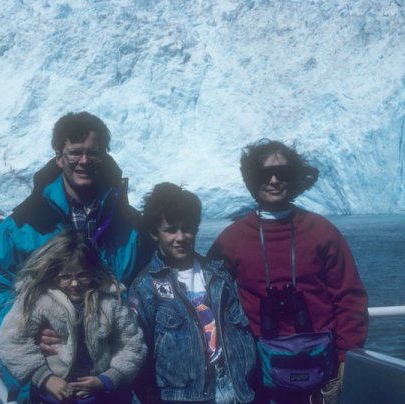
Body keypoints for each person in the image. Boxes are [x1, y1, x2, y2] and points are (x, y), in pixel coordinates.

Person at [0, 111, 152, 400]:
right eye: (74, 152)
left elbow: (146, 287)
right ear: (59, 157)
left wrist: (124, 327)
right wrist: (26, 328)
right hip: (44, 382)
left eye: (92, 153)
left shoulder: (131, 225)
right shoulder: (22, 225)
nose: (84, 161)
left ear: (104, 156)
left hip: (109, 383)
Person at [207, 139, 368, 404]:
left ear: (292, 179)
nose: (273, 180)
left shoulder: (322, 232)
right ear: (250, 180)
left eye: (282, 173)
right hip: (257, 371)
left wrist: (346, 357)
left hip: (320, 370)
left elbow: (350, 298)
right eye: (263, 174)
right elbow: (207, 297)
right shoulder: (232, 239)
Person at [129, 183, 256, 403]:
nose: (181, 237)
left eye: (187, 228)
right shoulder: (145, 287)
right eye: (170, 230)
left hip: (236, 390)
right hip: (182, 397)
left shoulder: (219, 276)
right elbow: (138, 353)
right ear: (154, 233)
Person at [0, 230, 147, 404]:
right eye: (65, 277)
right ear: (52, 274)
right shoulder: (37, 301)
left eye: (82, 275)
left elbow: (133, 343)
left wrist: (109, 378)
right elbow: (11, 341)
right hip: (50, 396)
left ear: (93, 271)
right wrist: (45, 378)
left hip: (102, 394)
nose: (74, 284)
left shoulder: (111, 301)